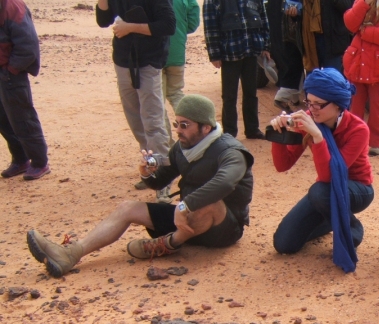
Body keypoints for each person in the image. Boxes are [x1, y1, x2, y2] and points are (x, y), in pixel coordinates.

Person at [26, 95, 254, 278]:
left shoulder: (231, 152)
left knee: (211, 201)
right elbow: (161, 180)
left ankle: (168, 244)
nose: (177, 130)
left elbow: (224, 182)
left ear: (206, 128)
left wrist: (184, 206)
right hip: (186, 220)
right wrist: (147, 174)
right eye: (176, 123)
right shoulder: (182, 147)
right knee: (128, 208)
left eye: (185, 125)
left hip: (223, 229)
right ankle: (71, 253)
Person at [269, 68, 373, 272]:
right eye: (309, 102)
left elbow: (330, 175)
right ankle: (331, 219)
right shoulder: (308, 120)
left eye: (319, 104)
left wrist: (318, 137)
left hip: (357, 189)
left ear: (338, 105)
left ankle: (351, 226)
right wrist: (279, 136)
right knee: (284, 244)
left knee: (319, 191)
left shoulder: (358, 129)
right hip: (326, 192)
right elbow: (283, 165)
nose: (312, 109)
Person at [96, 0, 176, 201]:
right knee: (136, 121)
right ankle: (151, 170)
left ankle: (163, 180)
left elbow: (168, 25)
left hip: (148, 62)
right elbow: (103, 20)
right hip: (123, 61)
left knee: (153, 121)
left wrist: (129, 27)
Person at [203, 0, 271, 140]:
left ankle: (252, 129)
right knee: (229, 96)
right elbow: (210, 26)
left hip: (251, 52)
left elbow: (264, 19)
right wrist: (214, 54)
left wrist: (266, 46)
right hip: (230, 54)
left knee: (251, 93)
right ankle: (229, 134)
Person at [343, 0, 379, 157]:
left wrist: (364, 31)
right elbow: (350, 23)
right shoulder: (361, 2)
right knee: (355, 106)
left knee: (378, 107)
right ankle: (354, 141)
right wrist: (363, 4)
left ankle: (376, 143)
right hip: (358, 64)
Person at [0, 0, 50, 181]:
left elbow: (28, 46)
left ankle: (39, 162)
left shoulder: (13, 7)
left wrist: (11, 70)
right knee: (4, 121)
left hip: (11, 73)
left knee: (23, 119)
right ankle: (20, 160)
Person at [162, 0, 200, 145]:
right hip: (177, 52)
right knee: (176, 93)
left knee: (158, 102)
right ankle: (193, 134)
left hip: (155, 54)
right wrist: (179, 29)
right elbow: (193, 22)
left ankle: (166, 144)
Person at [302, 0, 352, 73]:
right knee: (313, 80)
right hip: (311, 41)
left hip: (334, 42)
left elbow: (348, 6)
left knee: (333, 80)